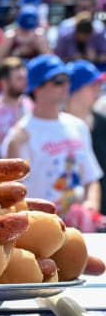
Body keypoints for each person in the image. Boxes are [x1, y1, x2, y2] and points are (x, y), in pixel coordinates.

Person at [2, 54, 102, 228]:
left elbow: (91, 178)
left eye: (66, 79)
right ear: (37, 88)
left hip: (78, 227)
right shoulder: (20, 135)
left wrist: (91, 205)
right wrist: (13, 148)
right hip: (41, 227)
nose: (66, 85)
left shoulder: (78, 126)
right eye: (58, 80)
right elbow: (11, 190)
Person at [64, 60, 106, 216]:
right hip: (68, 210)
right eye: (92, 84)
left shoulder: (102, 121)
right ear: (75, 89)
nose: (98, 89)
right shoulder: (58, 125)